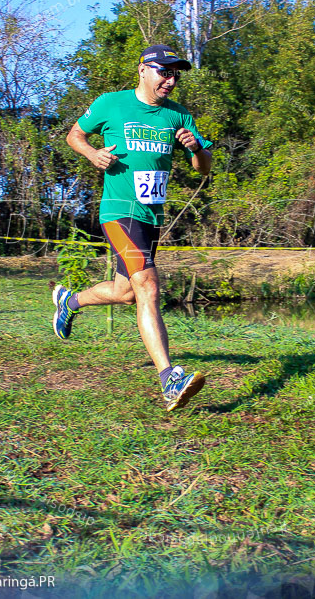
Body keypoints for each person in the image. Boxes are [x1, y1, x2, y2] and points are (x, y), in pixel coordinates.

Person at [53, 45, 213, 411]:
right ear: (143, 69)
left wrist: (196, 149)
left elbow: (203, 168)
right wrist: (92, 153)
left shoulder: (179, 115)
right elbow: (74, 135)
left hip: (151, 216)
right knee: (149, 284)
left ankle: (69, 301)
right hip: (118, 212)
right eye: (164, 72)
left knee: (126, 292)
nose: (170, 80)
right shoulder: (112, 103)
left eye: (175, 74)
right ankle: (169, 377)